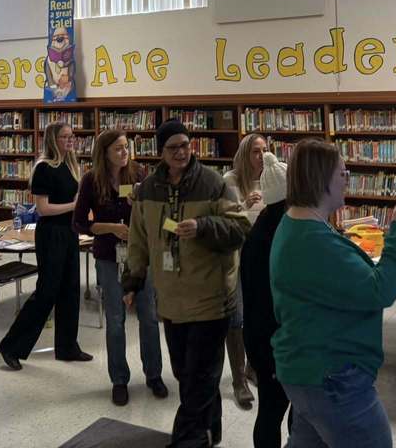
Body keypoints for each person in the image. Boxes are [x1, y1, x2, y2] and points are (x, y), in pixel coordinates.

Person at [270, 139, 396, 448]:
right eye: (342, 173)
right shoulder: (312, 240)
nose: (347, 180)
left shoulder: (297, 225)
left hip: (307, 368)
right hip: (333, 375)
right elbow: (380, 290)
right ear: (321, 179)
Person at [123, 119, 250, 448]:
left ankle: (188, 440)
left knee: (198, 379)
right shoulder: (148, 190)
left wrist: (205, 226)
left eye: (185, 145)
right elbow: (138, 241)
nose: (180, 152)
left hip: (211, 298)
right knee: (186, 373)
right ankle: (213, 427)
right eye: (172, 147)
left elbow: (239, 229)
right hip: (171, 300)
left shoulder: (213, 184)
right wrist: (132, 282)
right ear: (160, 151)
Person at [73, 130, 167, 406]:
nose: (124, 153)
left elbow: (156, 211)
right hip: (108, 255)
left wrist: (139, 207)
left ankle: (154, 374)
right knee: (115, 320)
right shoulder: (91, 180)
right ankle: (119, 379)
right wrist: (111, 228)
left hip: (140, 255)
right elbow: (79, 223)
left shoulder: (139, 174)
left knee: (149, 316)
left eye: (127, 147)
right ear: (104, 152)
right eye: (118, 149)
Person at [0, 122, 92, 370]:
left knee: (70, 290)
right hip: (51, 233)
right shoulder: (43, 168)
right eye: (65, 137)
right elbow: (43, 209)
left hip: (69, 232)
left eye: (72, 136)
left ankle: (67, 347)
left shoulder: (70, 165)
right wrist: (76, 206)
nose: (71, 141)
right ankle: (11, 346)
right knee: (47, 292)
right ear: (52, 139)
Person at [239, 151, 291, 448]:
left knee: (272, 407)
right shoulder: (275, 236)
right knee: (273, 409)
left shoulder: (263, 227)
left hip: (260, 335)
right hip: (271, 337)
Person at [221, 133, 268, 410]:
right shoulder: (229, 180)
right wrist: (244, 206)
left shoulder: (272, 180)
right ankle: (238, 380)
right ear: (244, 154)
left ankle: (253, 367)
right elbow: (222, 218)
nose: (261, 156)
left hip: (261, 255)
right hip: (236, 254)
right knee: (236, 316)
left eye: (264, 150)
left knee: (258, 313)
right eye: (255, 151)